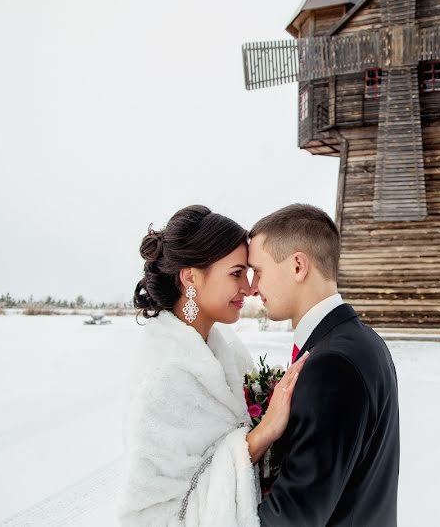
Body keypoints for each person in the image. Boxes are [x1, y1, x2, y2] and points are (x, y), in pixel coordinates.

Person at [118, 205, 308, 526]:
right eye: (236, 273)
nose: (249, 288)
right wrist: (261, 435)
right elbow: (152, 514)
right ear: (190, 276)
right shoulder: (162, 377)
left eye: (249, 273)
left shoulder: (229, 351)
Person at [248, 204, 400, 526]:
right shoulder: (365, 341)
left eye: (258, 270)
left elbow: (292, 518)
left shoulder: (332, 365)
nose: (252, 287)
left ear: (298, 266)